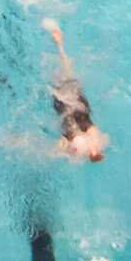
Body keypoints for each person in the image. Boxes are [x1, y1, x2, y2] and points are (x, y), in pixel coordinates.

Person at [42, 18, 108, 161]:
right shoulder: (81, 131)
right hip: (73, 108)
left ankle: (59, 44)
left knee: (66, 74)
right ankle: (59, 44)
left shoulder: (78, 132)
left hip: (74, 107)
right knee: (79, 126)